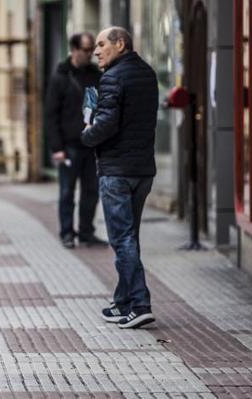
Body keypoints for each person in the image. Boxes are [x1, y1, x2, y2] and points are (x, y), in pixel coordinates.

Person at [81, 27, 158, 330]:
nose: (96, 51)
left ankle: (139, 304)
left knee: (122, 239)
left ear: (120, 44)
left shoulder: (113, 77)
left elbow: (107, 124)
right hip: (143, 170)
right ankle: (122, 300)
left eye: (101, 45)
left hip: (117, 171)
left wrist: (86, 135)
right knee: (129, 236)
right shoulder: (148, 74)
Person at [45, 33, 106, 249]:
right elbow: (51, 114)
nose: (90, 54)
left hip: (92, 145)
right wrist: (57, 147)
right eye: (86, 50)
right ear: (74, 49)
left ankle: (87, 232)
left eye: (92, 50)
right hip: (69, 145)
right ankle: (67, 233)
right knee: (66, 192)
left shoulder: (96, 75)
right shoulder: (60, 77)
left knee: (91, 190)